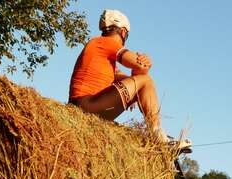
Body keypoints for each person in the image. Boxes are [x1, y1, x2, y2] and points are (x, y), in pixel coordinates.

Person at [68, 9, 190, 147]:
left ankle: (157, 135)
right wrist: (145, 61)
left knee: (142, 82)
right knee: (147, 81)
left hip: (87, 104)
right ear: (123, 32)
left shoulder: (99, 47)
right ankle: (157, 134)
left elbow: (122, 76)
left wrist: (134, 90)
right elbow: (139, 65)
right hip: (87, 105)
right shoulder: (106, 42)